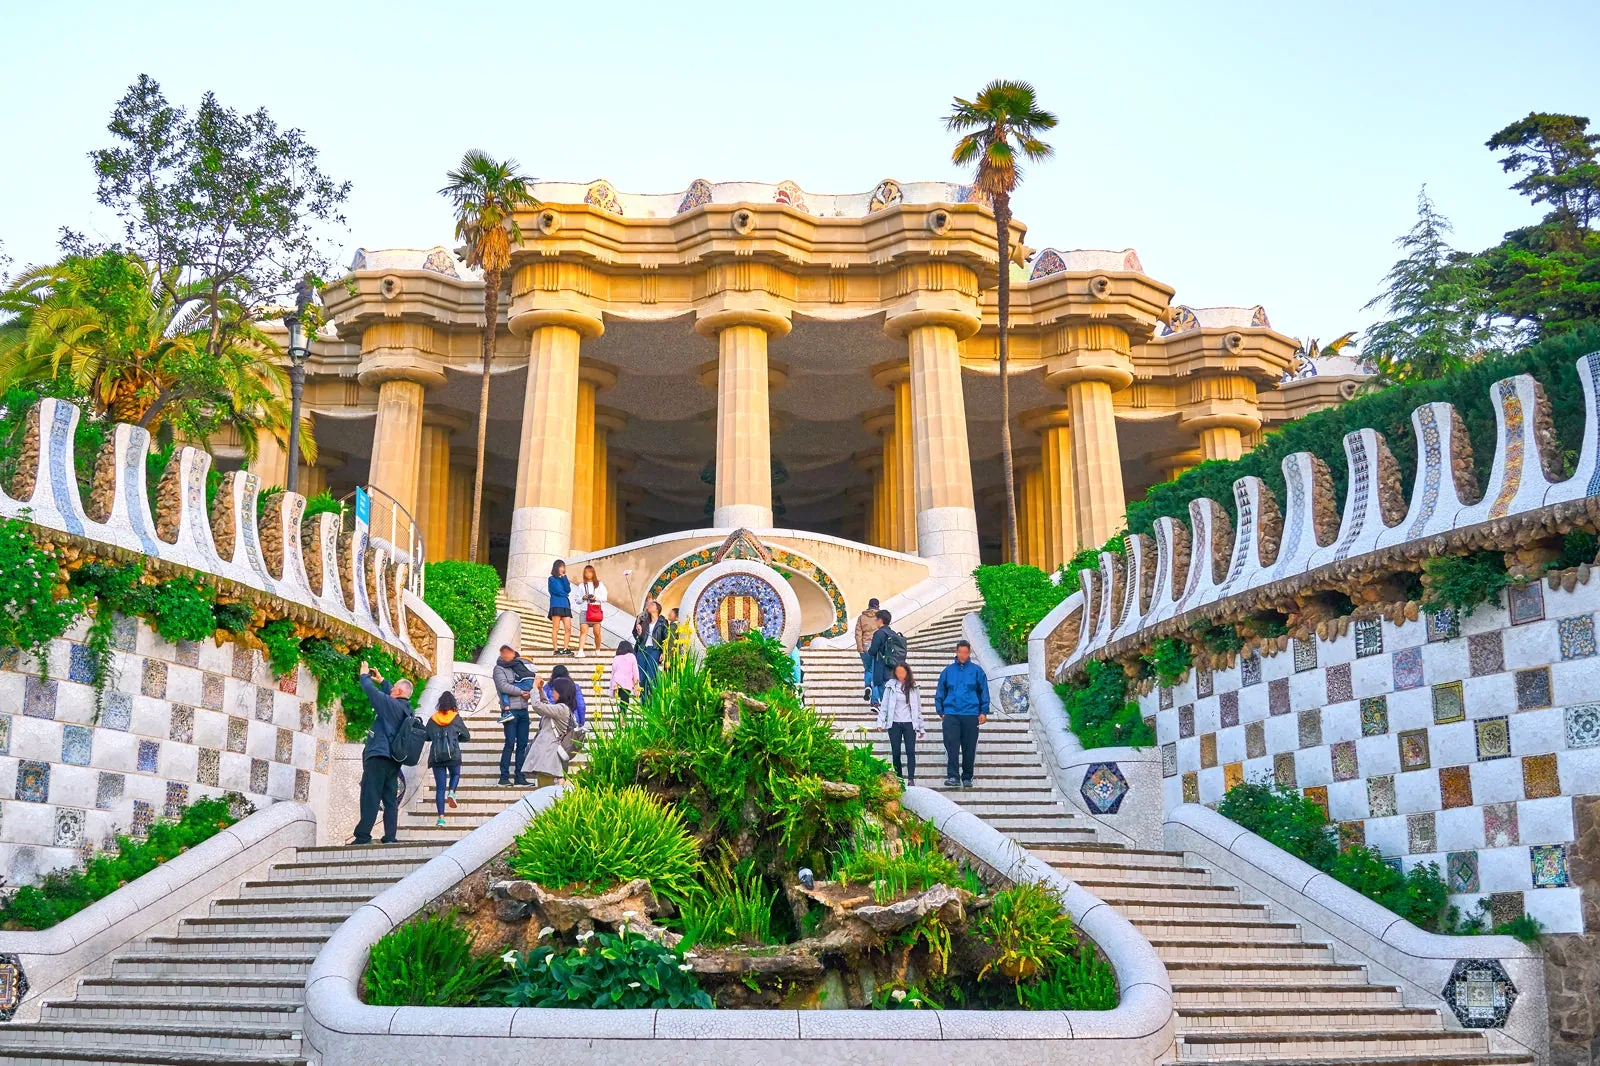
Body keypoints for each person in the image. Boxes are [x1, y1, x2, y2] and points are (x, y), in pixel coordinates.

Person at [351, 662, 415, 845]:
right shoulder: (407, 709)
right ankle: (390, 837)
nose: (391, 689)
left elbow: (371, 692)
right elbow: (390, 696)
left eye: (393, 688)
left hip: (378, 756)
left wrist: (364, 675)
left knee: (370, 795)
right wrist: (383, 681)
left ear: (399, 693)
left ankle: (363, 836)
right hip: (393, 761)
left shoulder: (390, 706)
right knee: (389, 799)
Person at [934, 639, 990, 789]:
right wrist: (941, 711)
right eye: (960, 652)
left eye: (966, 652)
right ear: (956, 652)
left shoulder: (977, 671)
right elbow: (940, 691)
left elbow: (983, 690)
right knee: (951, 745)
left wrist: (984, 711)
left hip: (971, 713)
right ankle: (953, 776)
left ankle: (967, 777)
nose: (963, 655)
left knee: (969, 746)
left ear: (969, 653)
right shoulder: (948, 671)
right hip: (951, 713)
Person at [523, 673, 583, 785]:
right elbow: (545, 704)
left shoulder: (561, 709)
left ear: (561, 692)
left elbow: (537, 706)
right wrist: (540, 690)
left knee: (544, 790)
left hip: (548, 754)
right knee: (544, 787)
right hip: (548, 753)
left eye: (554, 690)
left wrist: (534, 688)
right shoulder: (562, 708)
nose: (552, 692)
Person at [424, 691, 470, 827]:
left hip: (436, 756)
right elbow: (467, 736)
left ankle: (441, 819)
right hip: (453, 754)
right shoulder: (456, 718)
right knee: (455, 774)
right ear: (453, 704)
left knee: (439, 788)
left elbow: (426, 737)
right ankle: (452, 792)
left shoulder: (433, 718)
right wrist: (455, 738)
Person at [876, 662, 926, 786]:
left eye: (902, 672)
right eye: (898, 672)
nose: (900, 675)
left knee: (910, 751)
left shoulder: (913, 687)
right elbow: (884, 705)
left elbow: (918, 708)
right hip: (894, 723)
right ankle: (899, 778)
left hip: (909, 723)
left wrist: (921, 727)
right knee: (896, 751)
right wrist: (880, 721)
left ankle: (911, 778)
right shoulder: (890, 686)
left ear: (907, 672)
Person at [493, 644, 536, 786]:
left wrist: (529, 693)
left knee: (523, 743)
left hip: (523, 710)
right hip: (510, 710)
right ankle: (504, 777)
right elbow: (503, 686)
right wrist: (520, 692)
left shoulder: (517, 665)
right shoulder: (499, 668)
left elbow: (527, 681)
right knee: (510, 743)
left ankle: (520, 776)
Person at [864, 609, 905, 708]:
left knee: (885, 700)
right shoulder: (893, 634)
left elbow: (873, 651)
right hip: (893, 670)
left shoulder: (879, 633)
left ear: (880, 620)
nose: (875, 621)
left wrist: (867, 650)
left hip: (882, 671)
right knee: (892, 699)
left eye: (876, 619)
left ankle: (888, 721)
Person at [633, 599, 668, 694]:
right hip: (643, 649)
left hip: (655, 650)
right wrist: (639, 633)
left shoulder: (662, 622)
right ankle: (643, 702)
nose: (649, 606)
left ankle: (652, 699)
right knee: (641, 675)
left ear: (657, 609)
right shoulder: (644, 620)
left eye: (652, 605)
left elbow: (666, 638)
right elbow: (636, 636)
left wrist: (664, 652)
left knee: (651, 674)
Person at [575, 564, 607, 659]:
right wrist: (583, 597)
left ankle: (597, 649)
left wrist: (595, 597)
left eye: (590, 572)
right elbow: (577, 600)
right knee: (583, 630)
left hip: (595, 610)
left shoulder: (599, 585)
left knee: (597, 632)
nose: (588, 574)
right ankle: (581, 651)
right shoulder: (581, 586)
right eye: (586, 572)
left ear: (593, 573)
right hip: (585, 610)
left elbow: (605, 598)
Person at [854, 597, 881, 703]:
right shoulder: (880, 617)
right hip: (877, 647)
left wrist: (860, 647)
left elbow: (858, 633)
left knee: (868, 669)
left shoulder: (861, 617)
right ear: (877, 606)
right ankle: (875, 700)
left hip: (865, 646)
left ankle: (867, 685)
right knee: (876, 673)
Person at [548, 560, 574, 656]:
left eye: (563, 567)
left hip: (565, 605)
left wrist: (564, 577)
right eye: (560, 567)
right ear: (556, 567)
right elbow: (557, 591)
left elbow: (568, 589)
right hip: (556, 604)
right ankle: (556, 649)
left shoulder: (564, 578)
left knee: (568, 628)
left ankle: (566, 648)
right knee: (556, 627)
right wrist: (565, 594)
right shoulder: (551, 579)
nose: (562, 569)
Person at [611, 640, 640, 709]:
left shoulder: (616, 658)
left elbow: (612, 674)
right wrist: (636, 687)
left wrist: (611, 691)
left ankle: (621, 717)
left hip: (616, 683)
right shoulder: (632, 656)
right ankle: (622, 718)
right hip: (626, 683)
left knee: (622, 702)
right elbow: (635, 672)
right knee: (624, 702)